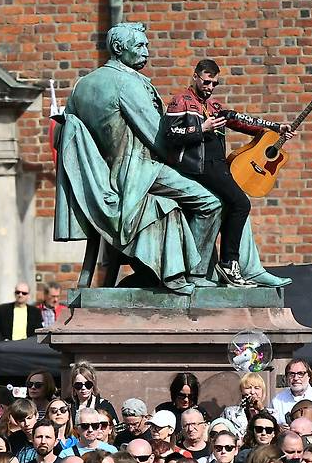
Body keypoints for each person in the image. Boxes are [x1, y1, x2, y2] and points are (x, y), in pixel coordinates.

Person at [59, 22, 284, 292]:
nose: (147, 52)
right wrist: (190, 155)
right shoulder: (125, 83)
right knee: (211, 201)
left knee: (231, 193)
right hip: (138, 171)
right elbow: (159, 138)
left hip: (101, 178)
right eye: (140, 46)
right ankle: (197, 273)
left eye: (147, 45)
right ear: (119, 48)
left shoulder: (82, 86)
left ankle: (245, 268)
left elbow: (64, 134)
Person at [164, 58, 294, 287]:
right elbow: (170, 135)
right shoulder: (180, 101)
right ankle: (229, 264)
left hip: (219, 165)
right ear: (195, 77)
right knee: (241, 204)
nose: (210, 87)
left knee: (235, 205)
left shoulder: (214, 106)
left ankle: (238, 266)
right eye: (206, 82)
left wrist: (275, 127)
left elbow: (240, 120)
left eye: (214, 83)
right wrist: (200, 128)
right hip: (199, 167)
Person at [271, 359, 312, 434]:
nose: (296, 378)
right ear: (287, 377)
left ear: (309, 376)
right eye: (291, 374)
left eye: (300, 374)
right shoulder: (277, 400)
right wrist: (278, 428)